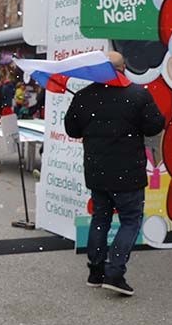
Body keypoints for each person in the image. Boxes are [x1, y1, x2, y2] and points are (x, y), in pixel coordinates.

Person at [64, 51, 165, 296]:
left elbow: (72, 129)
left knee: (101, 218)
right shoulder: (137, 94)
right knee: (130, 221)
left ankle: (95, 271)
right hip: (128, 172)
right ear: (123, 68)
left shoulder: (84, 95)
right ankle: (115, 271)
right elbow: (155, 125)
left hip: (97, 171)